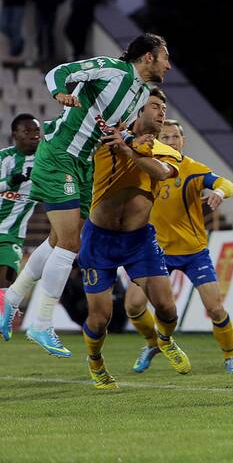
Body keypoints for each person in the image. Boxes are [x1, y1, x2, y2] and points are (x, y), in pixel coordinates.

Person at [0, 33, 170, 356]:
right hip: (60, 154)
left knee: (56, 241)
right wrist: (61, 93)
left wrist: (123, 137)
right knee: (70, 243)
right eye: (165, 57)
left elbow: (115, 127)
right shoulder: (112, 70)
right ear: (148, 57)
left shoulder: (140, 94)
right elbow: (57, 73)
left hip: (83, 164)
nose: (169, 65)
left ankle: (10, 301)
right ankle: (41, 323)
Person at [78, 87, 192, 389]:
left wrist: (129, 148)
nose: (161, 112)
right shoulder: (106, 138)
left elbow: (164, 172)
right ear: (137, 112)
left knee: (167, 308)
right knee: (100, 318)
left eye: (164, 108)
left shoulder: (165, 149)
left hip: (138, 240)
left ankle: (164, 340)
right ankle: (95, 361)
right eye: (154, 106)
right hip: (98, 239)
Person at [123, 118, 233, 374]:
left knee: (215, 308)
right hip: (156, 251)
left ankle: (230, 356)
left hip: (193, 251)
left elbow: (225, 183)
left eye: (175, 136)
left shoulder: (192, 169)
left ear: (183, 141)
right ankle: (154, 343)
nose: (170, 141)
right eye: (164, 137)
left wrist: (219, 193)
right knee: (132, 305)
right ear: (156, 141)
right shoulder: (144, 167)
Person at [0, 115, 41, 291]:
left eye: (36, 130)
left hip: (11, 235)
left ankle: (3, 317)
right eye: (27, 131)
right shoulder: (5, 157)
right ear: (15, 135)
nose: (34, 135)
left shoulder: (45, 161)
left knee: (5, 287)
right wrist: (10, 182)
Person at [33, 0, 68, 65]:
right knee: (39, 32)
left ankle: (51, 55)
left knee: (50, 33)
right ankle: (40, 53)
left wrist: (58, 1)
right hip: (40, 8)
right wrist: (37, 0)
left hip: (52, 9)